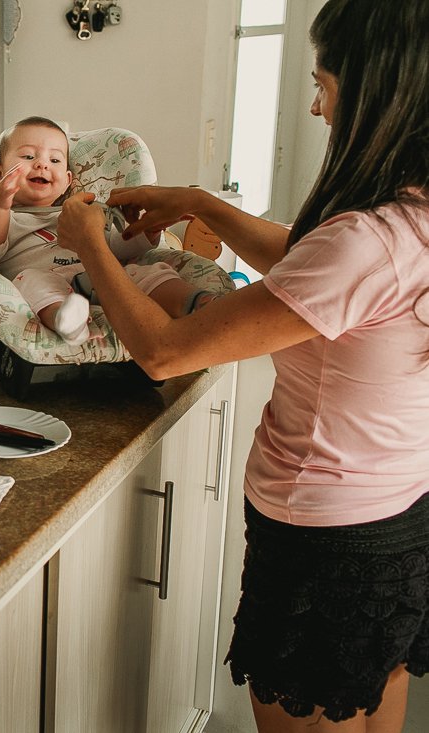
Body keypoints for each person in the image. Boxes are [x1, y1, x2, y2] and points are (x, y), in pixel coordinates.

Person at [54, 0, 429, 730]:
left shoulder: (364, 241)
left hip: (325, 544)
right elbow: (311, 268)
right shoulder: (409, 214)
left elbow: (163, 352)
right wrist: (201, 204)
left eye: (323, 86)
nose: (317, 108)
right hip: (398, 521)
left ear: (377, 93)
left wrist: (90, 243)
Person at [0, 116, 217, 345]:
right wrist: (0, 204)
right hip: (47, 285)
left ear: (67, 180)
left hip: (101, 278)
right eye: (28, 156)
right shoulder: (3, 217)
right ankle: (66, 321)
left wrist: (150, 229)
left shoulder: (79, 212)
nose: (42, 164)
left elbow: (116, 247)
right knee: (31, 281)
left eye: (54, 160)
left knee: (147, 272)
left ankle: (199, 304)